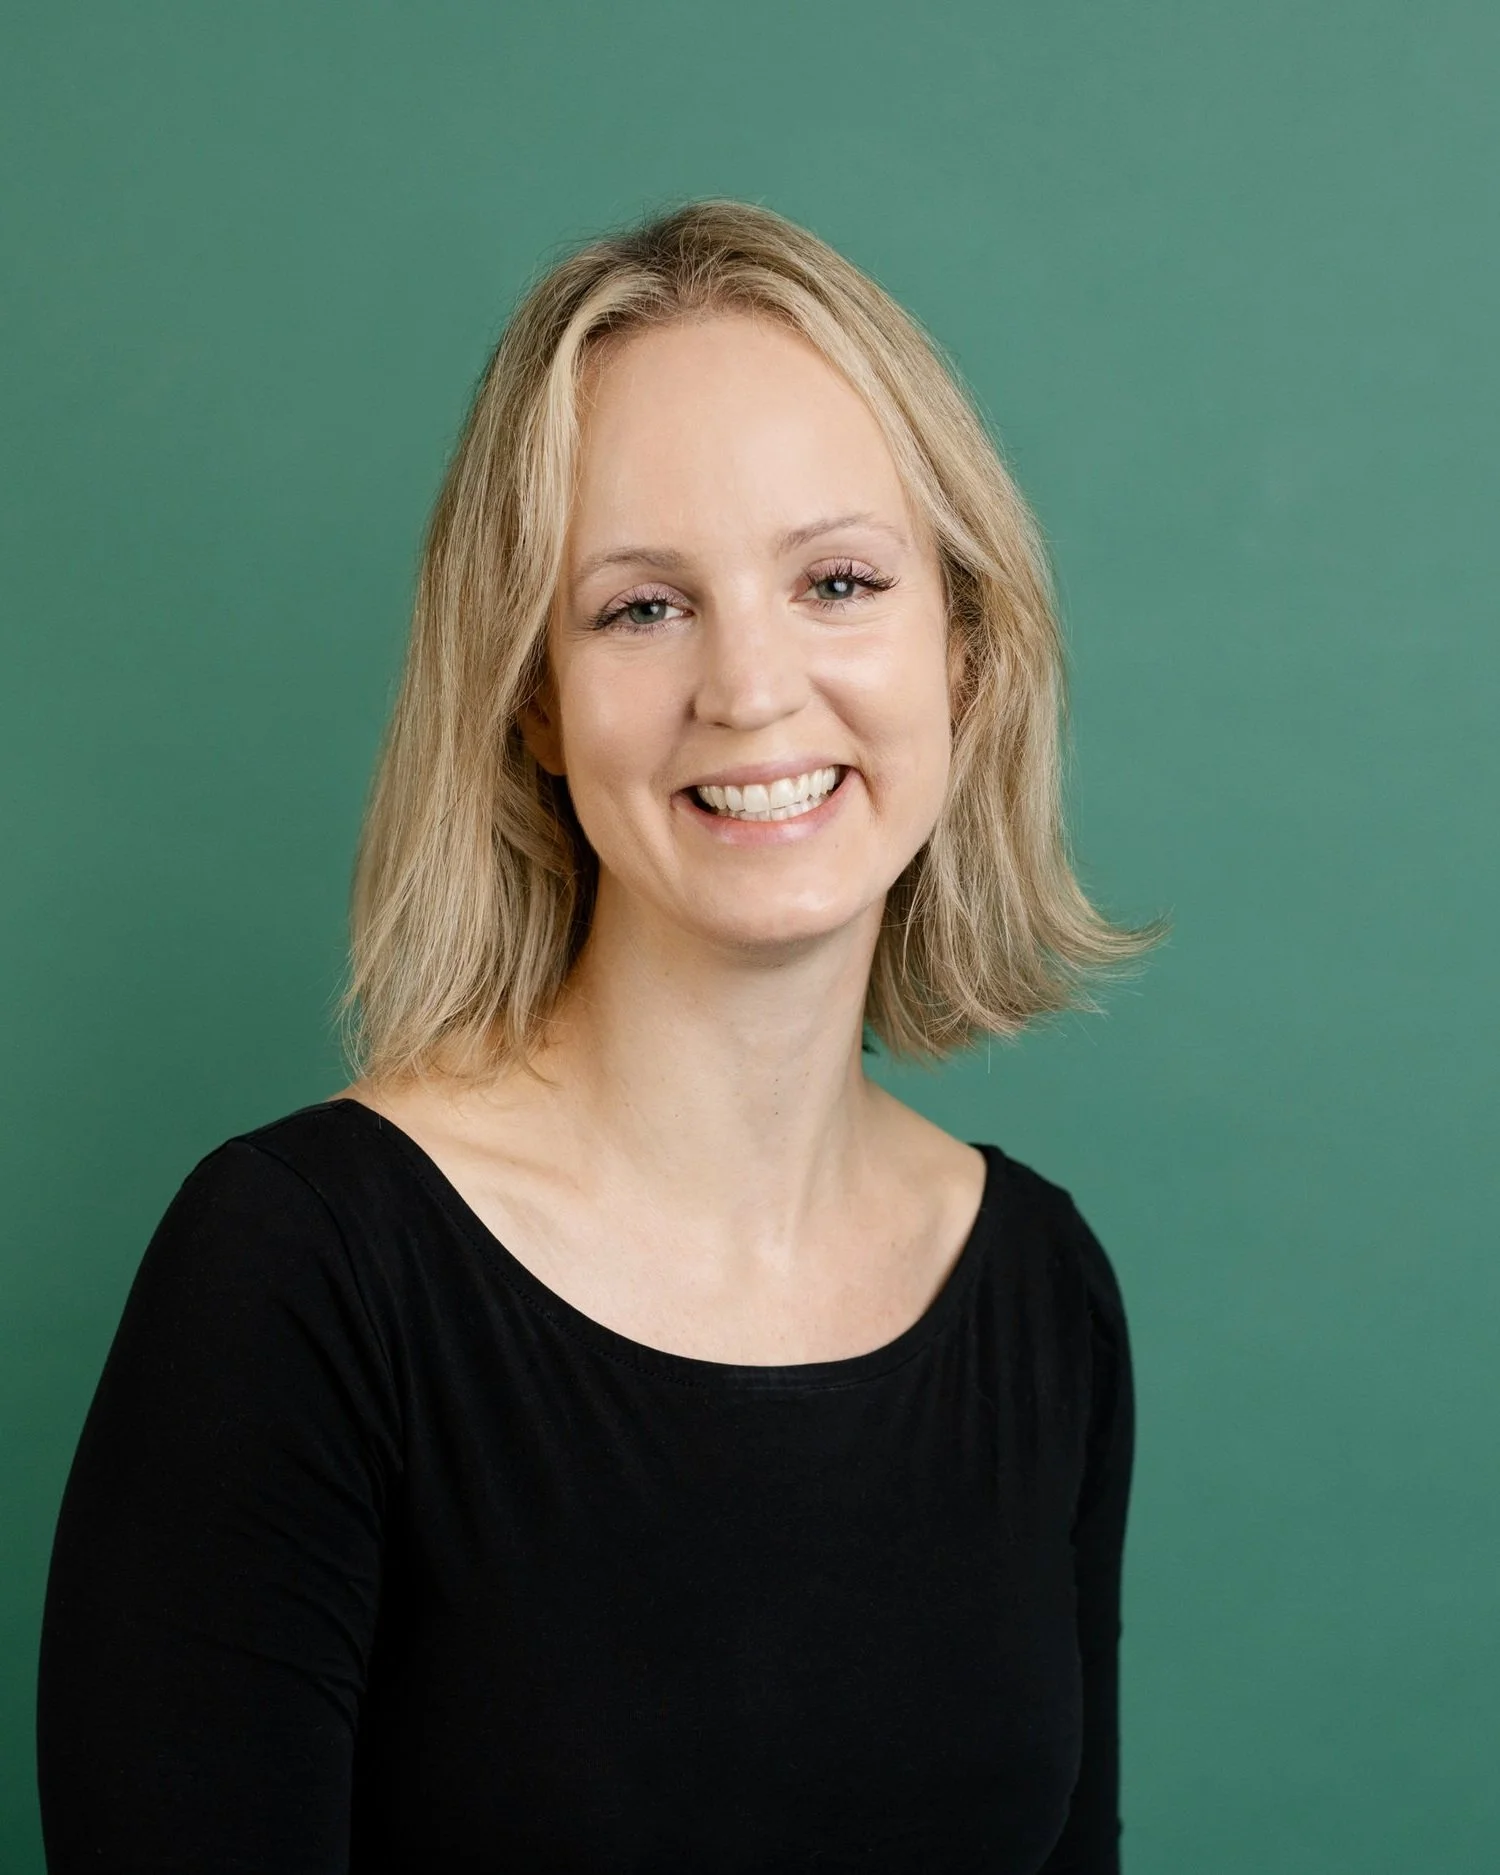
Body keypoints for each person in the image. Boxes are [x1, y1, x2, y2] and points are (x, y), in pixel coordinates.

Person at [37, 198, 1166, 1873]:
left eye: (838, 581)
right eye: (642, 607)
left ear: (969, 655)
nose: (751, 687)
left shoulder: (1041, 1294)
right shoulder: (295, 1274)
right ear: (534, 703)